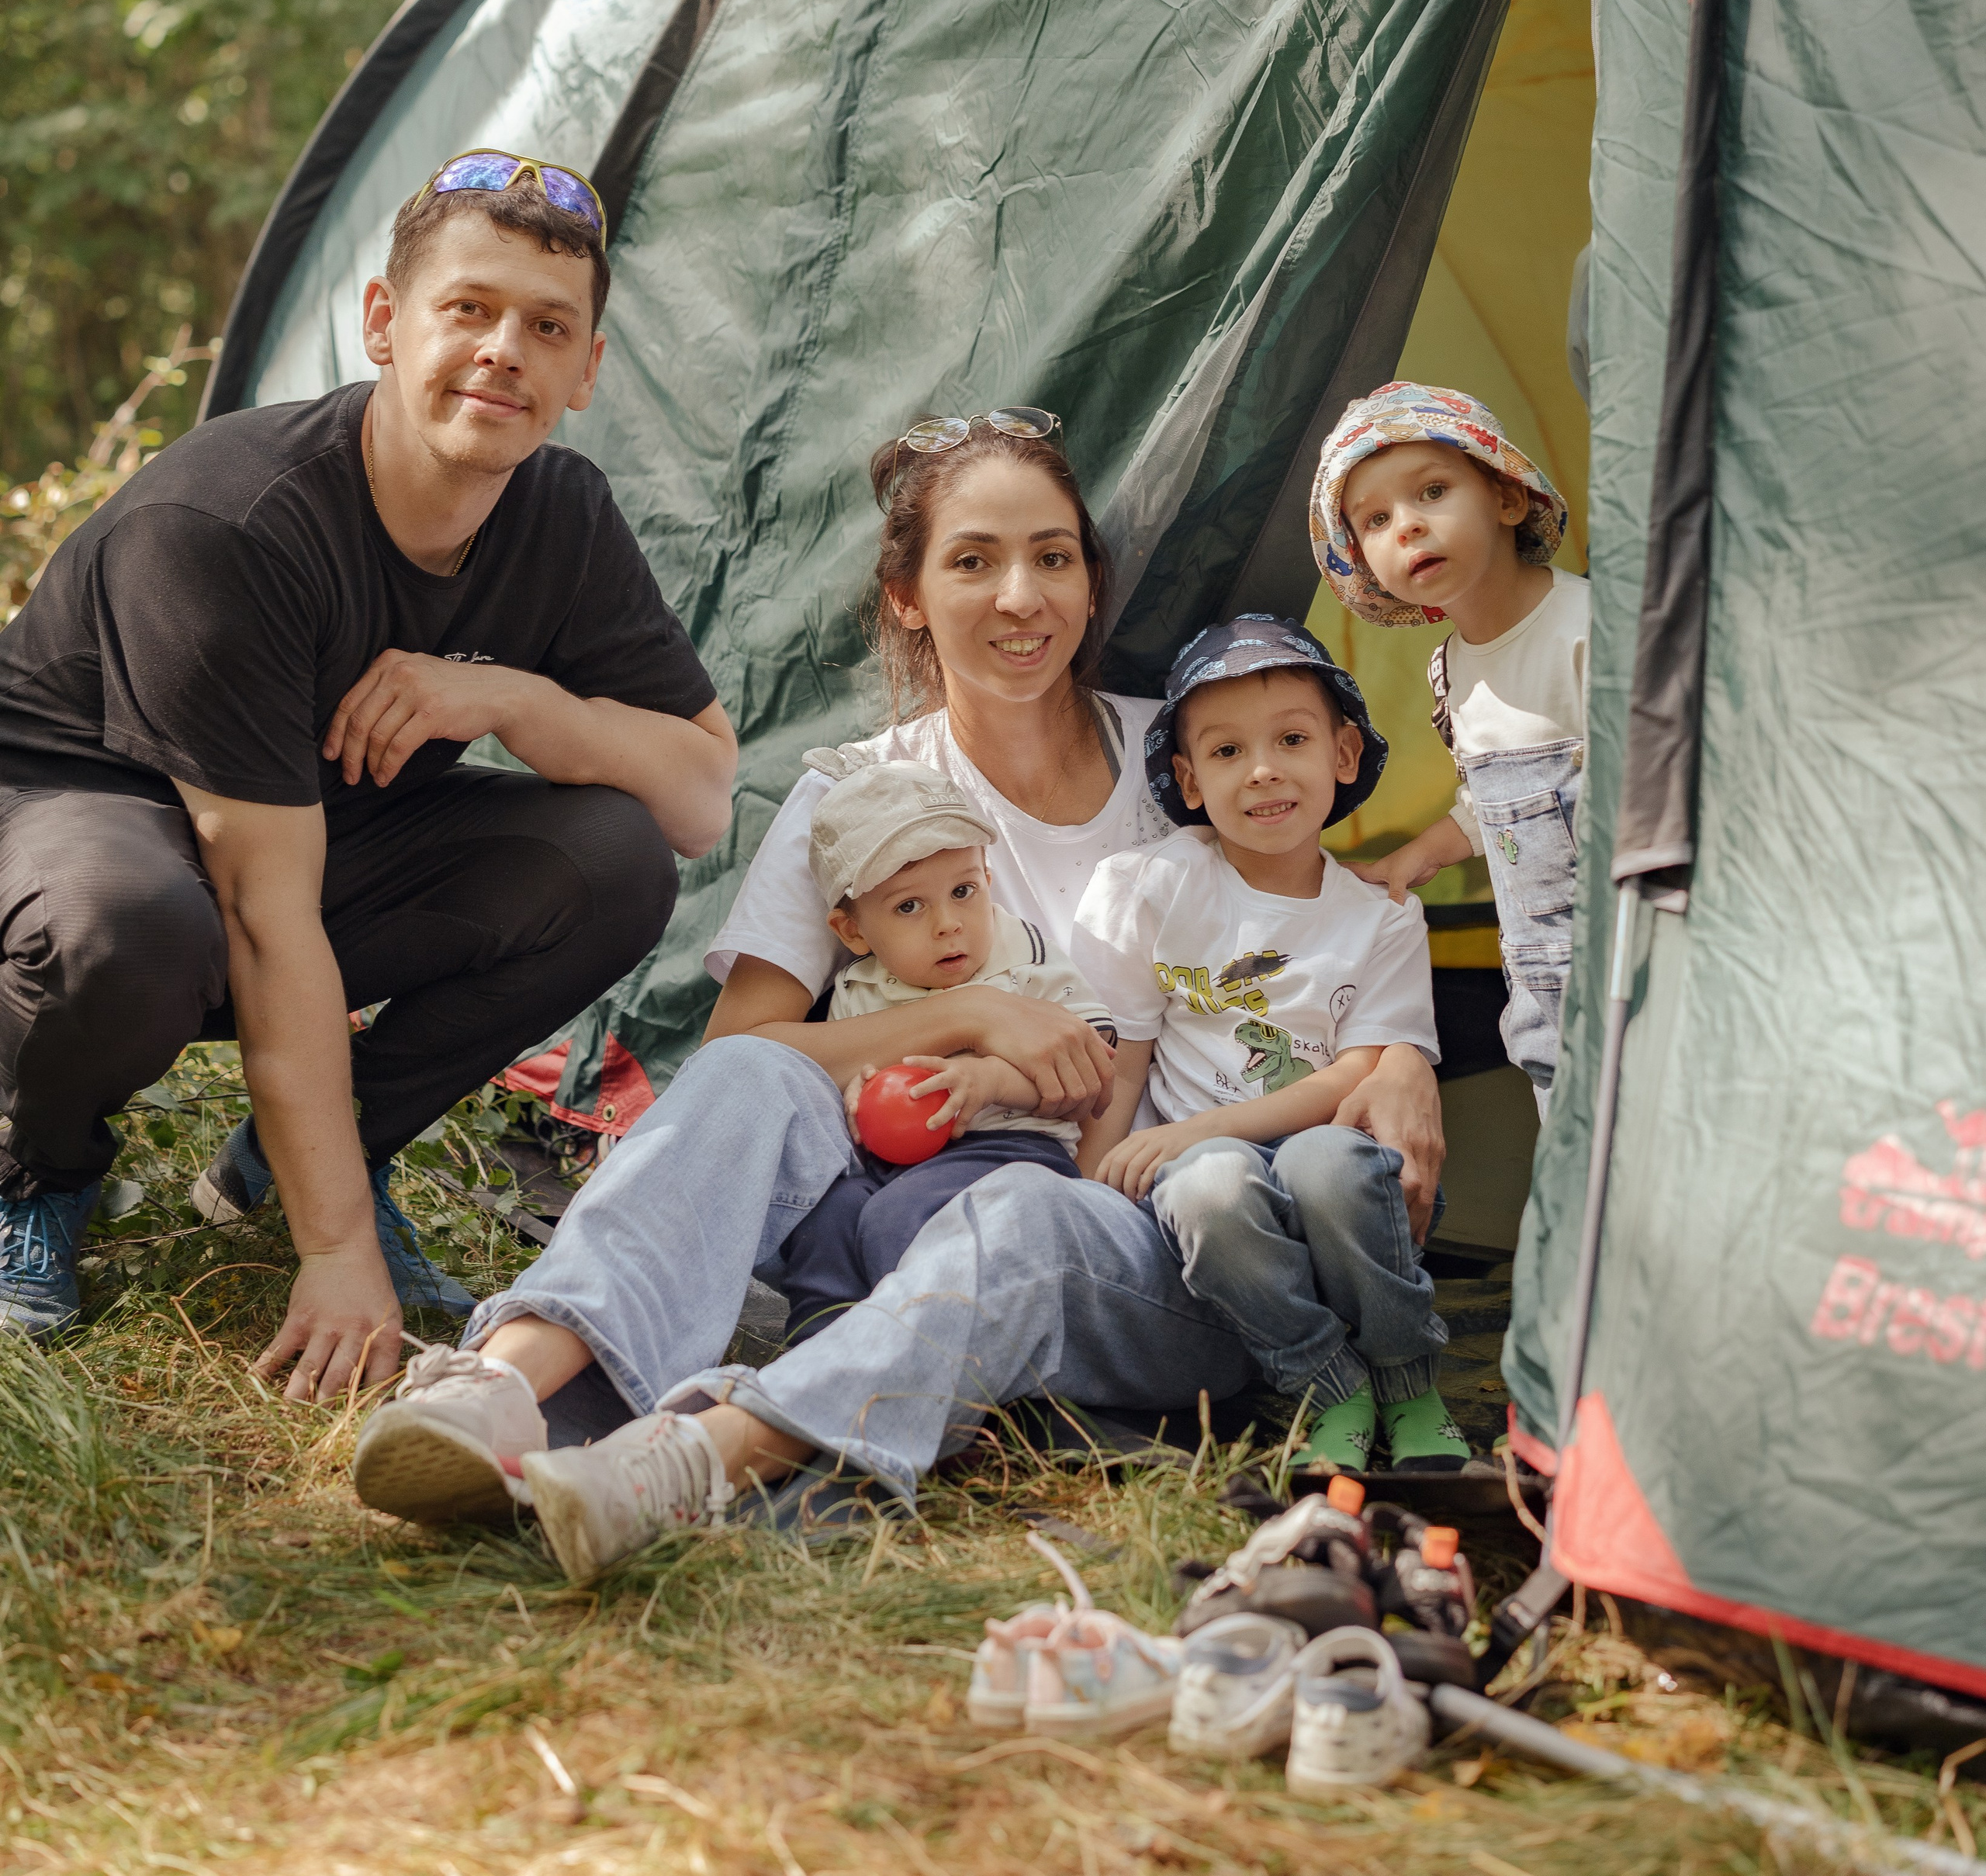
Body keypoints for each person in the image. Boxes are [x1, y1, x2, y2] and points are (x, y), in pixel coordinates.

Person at [351, 410, 1448, 1578]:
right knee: (751, 1071)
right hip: (892, 1205)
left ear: (1090, 585)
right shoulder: (859, 794)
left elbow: (1326, 924)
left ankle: (703, 1457)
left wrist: (1405, 1059)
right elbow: (744, 1052)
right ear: (908, 597)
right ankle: (506, 1382)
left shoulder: (1197, 754)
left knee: (1024, 1217)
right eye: (974, 561)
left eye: (1053, 557)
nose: (1021, 596)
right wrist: (968, 1017)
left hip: (1152, 1237)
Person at [0, 151, 736, 1393]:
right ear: (386, 325)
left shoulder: (561, 515)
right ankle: (38, 1168)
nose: (505, 350)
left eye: (547, 327)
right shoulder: (233, 526)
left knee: (610, 861)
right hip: (88, 812)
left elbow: (699, 797)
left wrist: (511, 696)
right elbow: (263, 912)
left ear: (588, 370)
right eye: (470, 309)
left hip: (310, 836)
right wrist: (336, 1252)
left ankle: (275, 1167)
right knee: (129, 927)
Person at [1074, 614, 1464, 1476]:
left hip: (1332, 1164)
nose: (1262, 771)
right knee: (1211, 1184)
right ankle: (1330, 1386)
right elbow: (1128, 1048)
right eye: (1224, 752)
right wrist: (1089, 1186)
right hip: (1210, 1184)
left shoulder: (1378, 916)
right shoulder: (1157, 887)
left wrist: (1201, 1128)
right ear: (1186, 777)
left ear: (1344, 754)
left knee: (1324, 1160)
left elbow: (1363, 1068)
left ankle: (1407, 1379)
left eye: (1291, 738)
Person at [1310, 381, 1586, 1109]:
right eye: (1375, 518)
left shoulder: (1587, 630)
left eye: (1432, 491)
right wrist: (1418, 854)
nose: (1407, 525)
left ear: (1506, 498)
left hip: (1635, 972)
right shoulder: (1452, 668)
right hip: (1541, 997)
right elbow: (1494, 801)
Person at [777, 750, 1114, 1341]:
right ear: (852, 931)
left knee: (899, 1219)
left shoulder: (1023, 957)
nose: (948, 924)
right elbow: (850, 1069)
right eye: (909, 906)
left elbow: (1094, 1057)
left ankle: (929, 1355)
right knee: (828, 1217)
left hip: (1007, 1150)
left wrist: (987, 1083)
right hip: (888, 1161)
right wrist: (855, 1097)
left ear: (988, 878)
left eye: (963, 891)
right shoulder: (858, 985)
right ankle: (818, 1343)